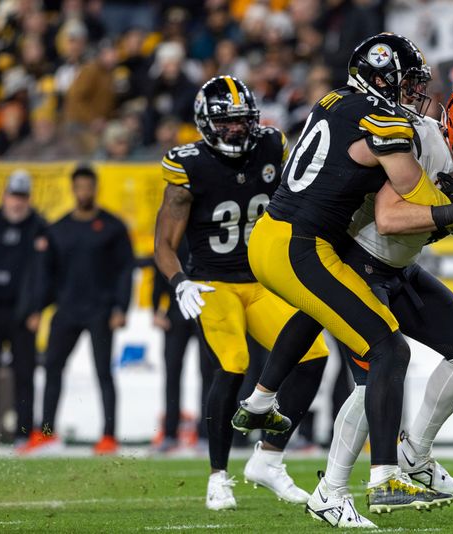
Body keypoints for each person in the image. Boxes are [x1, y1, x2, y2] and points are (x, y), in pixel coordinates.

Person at [232, 33, 453, 513]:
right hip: (303, 243)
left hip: (289, 235)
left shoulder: (336, 100)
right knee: (385, 348)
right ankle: (371, 479)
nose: (413, 95)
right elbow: (409, 195)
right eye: (406, 84)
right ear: (380, 79)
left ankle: (262, 402)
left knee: (368, 331)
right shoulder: (384, 122)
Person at [304, 79, 453, 526]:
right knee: (375, 380)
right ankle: (330, 489)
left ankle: (414, 454)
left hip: (400, 269)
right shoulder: (417, 138)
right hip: (358, 262)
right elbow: (387, 219)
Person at [153, 76, 329, 511]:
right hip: (214, 283)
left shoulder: (272, 146)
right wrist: (180, 283)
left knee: (314, 356)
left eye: (242, 121)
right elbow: (163, 244)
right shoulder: (187, 165)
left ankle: (270, 458)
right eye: (227, 122)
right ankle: (218, 476)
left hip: (264, 280)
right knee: (233, 364)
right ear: (206, 123)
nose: (237, 129)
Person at [21, 164, 135, 456]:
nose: (84, 192)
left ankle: (109, 436)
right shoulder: (58, 229)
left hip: (100, 310)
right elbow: (47, 275)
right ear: (73, 189)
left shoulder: (112, 227)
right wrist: (37, 309)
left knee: (103, 372)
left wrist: (121, 307)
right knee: (52, 368)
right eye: (79, 187)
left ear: (95, 189)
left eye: (89, 187)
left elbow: (125, 270)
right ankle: (46, 432)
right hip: (67, 310)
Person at [0, 170, 47, 449]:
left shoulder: (39, 227)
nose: (16, 203)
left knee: (24, 372)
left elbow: (45, 274)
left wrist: (37, 308)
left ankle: (22, 432)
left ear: (28, 199)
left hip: (22, 313)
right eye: (13, 196)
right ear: (4, 195)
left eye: (22, 197)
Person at [150, 239, 213, 454]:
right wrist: (155, 309)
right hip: (176, 313)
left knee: (208, 374)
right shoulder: (174, 234)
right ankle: (169, 434)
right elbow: (160, 269)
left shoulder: (204, 228)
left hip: (206, 310)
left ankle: (205, 434)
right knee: (172, 372)